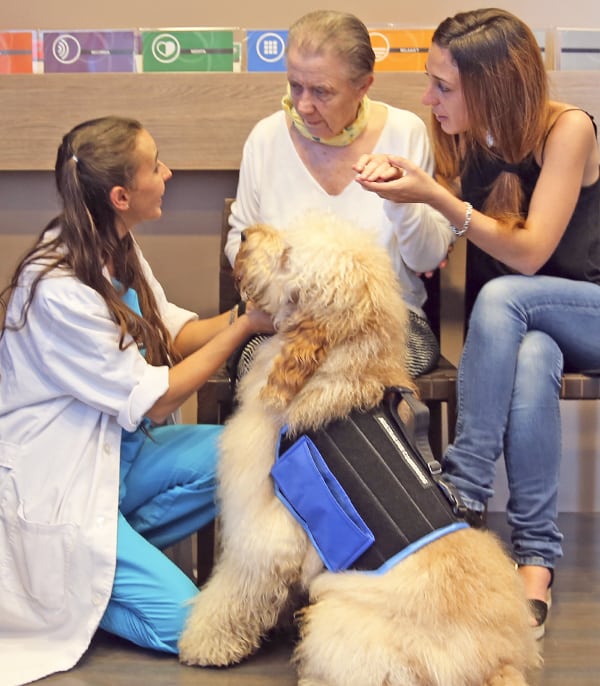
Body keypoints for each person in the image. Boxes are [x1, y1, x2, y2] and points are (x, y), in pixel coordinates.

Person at [354, 7, 600, 639]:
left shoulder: (566, 129)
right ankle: (536, 561)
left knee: (503, 297)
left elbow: (530, 252)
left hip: (591, 313)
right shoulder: (460, 137)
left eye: (443, 85)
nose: (427, 97)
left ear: (491, 85)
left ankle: (460, 486)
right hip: (534, 330)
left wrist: (439, 196)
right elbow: (431, 235)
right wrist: (398, 185)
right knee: (535, 355)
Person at [0, 116, 272, 686]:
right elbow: (159, 396)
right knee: (193, 625)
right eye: (156, 166)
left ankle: (108, 556)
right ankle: (86, 582)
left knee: (251, 454)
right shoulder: (57, 287)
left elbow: (172, 335)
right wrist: (247, 326)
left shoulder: (115, 246)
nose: (168, 173)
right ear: (121, 196)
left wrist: (266, 313)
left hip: (117, 458)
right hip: (61, 479)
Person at [225, 9, 454, 379]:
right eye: (294, 86)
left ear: (364, 86)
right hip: (285, 323)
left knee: (343, 373)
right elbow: (241, 243)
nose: (303, 105)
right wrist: (283, 292)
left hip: (387, 322)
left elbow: (427, 258)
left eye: (321, 92)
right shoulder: (266, 139)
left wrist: (400, 201)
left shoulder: (404, 133)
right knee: (284, 371)